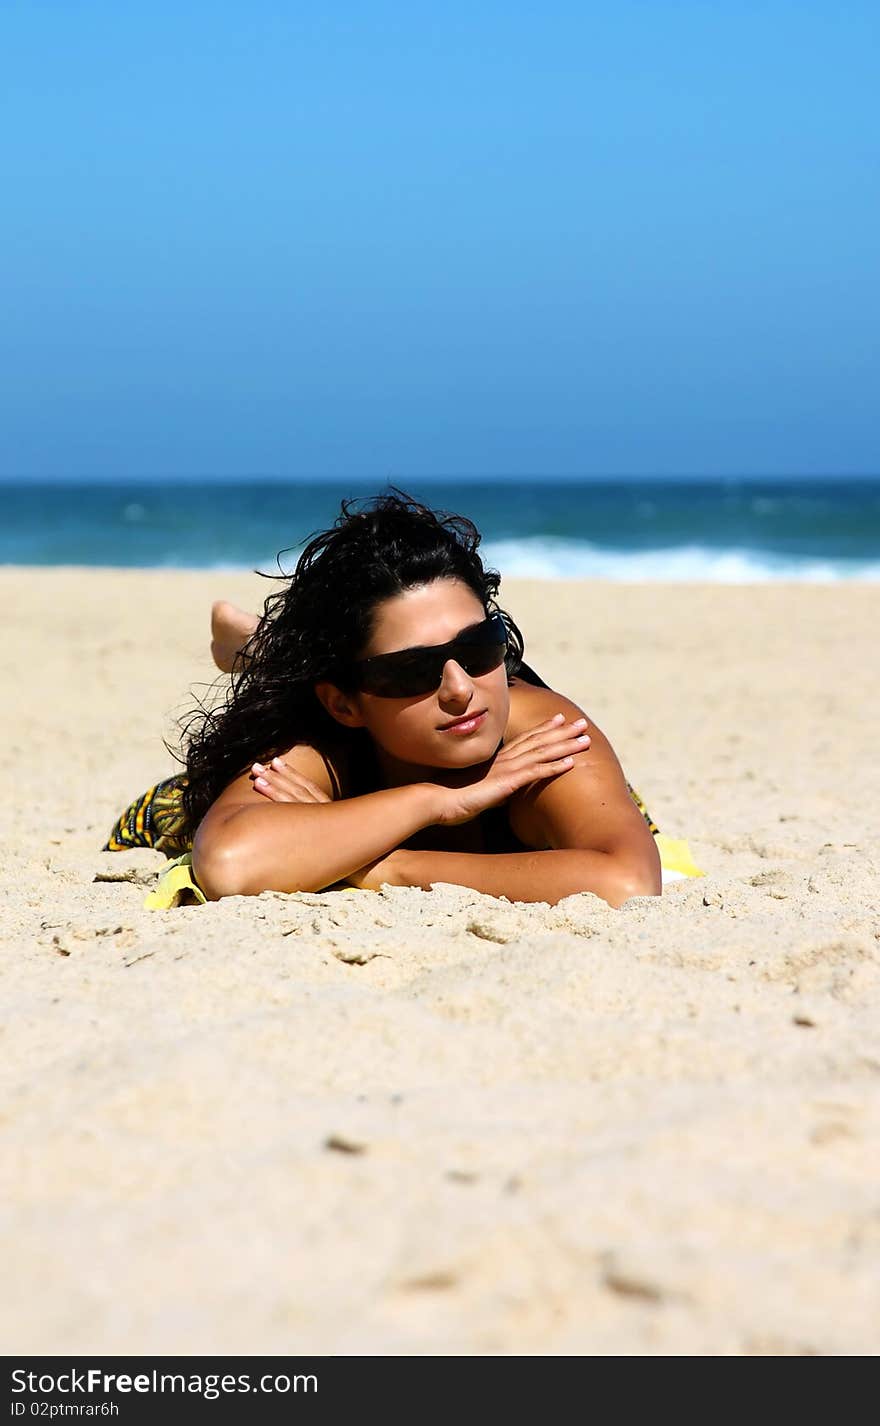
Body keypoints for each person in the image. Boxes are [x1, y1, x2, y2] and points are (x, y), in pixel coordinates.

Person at [172, 490, 662, 910]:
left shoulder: (543, 734)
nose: (461, 688)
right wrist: (437, 801)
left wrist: (389, 866)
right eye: (411, 670)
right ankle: (267, 651)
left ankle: (263, 645)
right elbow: (230, 866)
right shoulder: (319, 740)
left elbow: (628, 882)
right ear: (345, 705)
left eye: (478, 647)